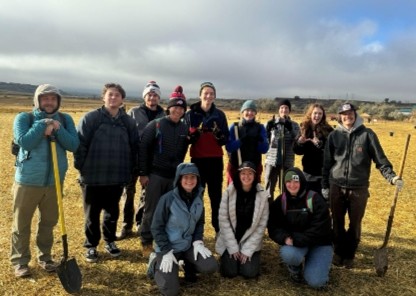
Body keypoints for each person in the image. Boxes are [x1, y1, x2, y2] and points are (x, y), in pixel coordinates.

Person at [322, 103, 404, 268]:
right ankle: (338, 252)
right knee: (337, 222)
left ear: (355, 114)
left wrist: (392, 177)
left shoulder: (368, 135)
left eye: (350, 113)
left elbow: (380, 160)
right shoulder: (334, 136)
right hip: (336, 186)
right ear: (339, 116)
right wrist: (325, 186)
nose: (347, 116)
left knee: (355, 223)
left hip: (358, 188)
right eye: (344, 114)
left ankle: (350, 254)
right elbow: (327, 163)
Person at [11, 84, 80, 277]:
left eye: (53, 99)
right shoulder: (24, 118)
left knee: (48, 223)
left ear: (58, 101)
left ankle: (45, 257)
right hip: (28, 180)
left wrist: (56, 128)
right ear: (37, 100)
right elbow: (25, 142)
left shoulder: (66, 119)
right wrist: (43, 124)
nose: (49, 102)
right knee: (21, 223)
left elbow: (73, 145)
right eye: (45, 98)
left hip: (54, 181)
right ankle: (21, 261)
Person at [74, 83, 140, 263]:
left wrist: (133, 169)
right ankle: (91, 245)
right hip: (92, 175)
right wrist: (81, 168)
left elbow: (135, 147)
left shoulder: (128, 122)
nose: (113, 98)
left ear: (122, 100)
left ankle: (110, 241)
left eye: (117, 95)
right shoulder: (91, 118)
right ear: (103, 97)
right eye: (110, 94)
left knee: (112, 212)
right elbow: (80, 145)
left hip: (117, 175)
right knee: (92, 213)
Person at [147, 163, 218, 296]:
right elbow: (156, 227)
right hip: (168, 248)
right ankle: (155, 262)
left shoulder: (198, 198)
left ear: (197, 179)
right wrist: (166, 250)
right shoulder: (167, 199)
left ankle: (187, 265)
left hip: (187, 246)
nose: (189, 180)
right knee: (170, 291)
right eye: (185, 177)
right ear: (179, 179)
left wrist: (197, 241)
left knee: (211, 266)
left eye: (193, 177)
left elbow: (200, 222)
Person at [138, 86, 190, 258]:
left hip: (173, 177)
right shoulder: (156, 125)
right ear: (169, 108)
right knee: (151, 209)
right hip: (155, 175)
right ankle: (146, 241)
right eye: (175, 107)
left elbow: (184, 150)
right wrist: (143, 173)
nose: (178, 110)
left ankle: (165, 239)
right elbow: (143, 149)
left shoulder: (184, 128)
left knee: (169, 210)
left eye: (181, 108)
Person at [117, 81, 165, 241]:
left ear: (159, 97)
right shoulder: (133, 112)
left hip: (152, 161)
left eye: (155, 95)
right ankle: (126, 227)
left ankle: (141, 223)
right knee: (128, 192)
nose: (152, 97)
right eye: (149, 94)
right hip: (132, 159)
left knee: (147, 193)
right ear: (145, 96)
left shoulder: (163, 115)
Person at [268, 168, 332, 288]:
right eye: (288, 181)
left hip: (319, 244)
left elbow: (322, 229)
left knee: (317, 283)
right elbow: (273, 226)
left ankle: (316, 263)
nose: (292, 185)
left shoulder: (315, 199)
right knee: (289, 254)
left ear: (302, 182)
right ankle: (295, 269)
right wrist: (284, 238)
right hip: (296, 244)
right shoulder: (281, 201)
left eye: (296, 181)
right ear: (284, 183)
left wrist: (296, 239)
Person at [185, 82, 229, 235]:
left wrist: (220, 137)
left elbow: (225, 140)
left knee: (216, 196)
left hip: (216, 161)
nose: (208, 96)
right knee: (197, 196)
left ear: (214, 96)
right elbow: (186, 139)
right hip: (198, 161)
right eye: (206, 93)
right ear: (200, 95)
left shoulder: (220, 115)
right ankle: (196, 230)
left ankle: (218, 229)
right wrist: (193, 137)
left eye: (212, 93)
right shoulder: (190, 115)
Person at [216, 161, 269, 278]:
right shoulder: (229, 191)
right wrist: (233, 247)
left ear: (255, 176)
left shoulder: (262, 194)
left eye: (250, 173)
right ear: (238, 175)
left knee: (249, 273)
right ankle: (228, 259)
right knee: (230, 272)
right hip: (231, 238)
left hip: (250, 239)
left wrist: (248, 250)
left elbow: (261, 225)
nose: (246, 176)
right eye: (243, 173)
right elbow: (223, 220)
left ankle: (248, 257)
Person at [264, 99, 300, 204]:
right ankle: (269, 212)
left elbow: (298, 140)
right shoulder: (270, 123)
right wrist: (267, 130)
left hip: (287, 162)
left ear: (289, 110)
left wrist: (290, 128)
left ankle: (284, 212)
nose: (284, 110)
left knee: (286, 189)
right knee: (269, 189)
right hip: (271, 161)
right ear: (279, 110)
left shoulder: (294, 125)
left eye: (286, 108)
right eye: (282, 108)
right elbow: (264, 141)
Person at [226, 100, 268, 184]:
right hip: (236, 166)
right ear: (242, 112)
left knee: (253, 193)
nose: (250, 113)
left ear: (255, 113)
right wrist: (240, 141)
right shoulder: (234, 127)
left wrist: (261, 141)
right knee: (234, 193)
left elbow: (264, 150)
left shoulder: (260, 127)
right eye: (247, 110)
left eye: (252, 111)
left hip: (254, 167)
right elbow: (229, 148)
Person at [293, 103, 333, 193]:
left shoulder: (328, 130)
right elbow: (297, 151)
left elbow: (333, 150)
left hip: (324, 174)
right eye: (315, 113)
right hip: (308, 173)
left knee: (323, 203)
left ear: (323, 115)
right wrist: (300, 143)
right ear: (310, 114)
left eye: (320, 114)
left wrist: (321, 145)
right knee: (309, 202)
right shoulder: (304, 129)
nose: (317, 116)